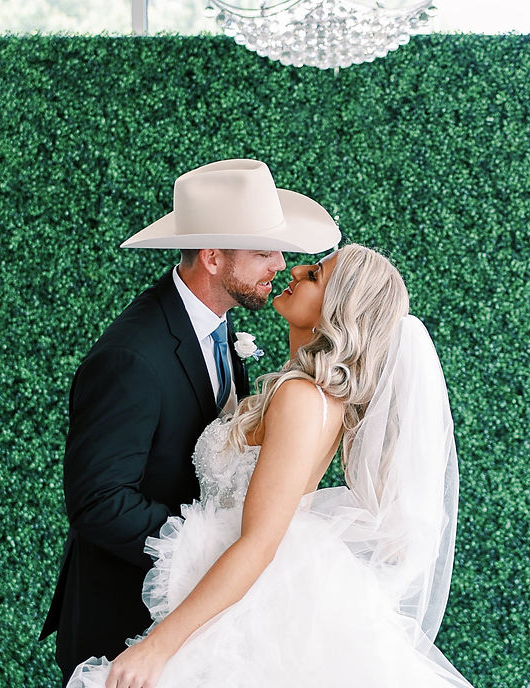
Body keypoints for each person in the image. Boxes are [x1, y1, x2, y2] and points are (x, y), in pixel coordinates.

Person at [67, 244, 473, 688]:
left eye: (314, 275)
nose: (292, 268)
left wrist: (159, 646)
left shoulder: (302, 399)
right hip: (234, 592)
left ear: (334, 311)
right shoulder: (301, 389)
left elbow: (259, 543)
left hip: (246, 604)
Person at [39, 158, 341, 686]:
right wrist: (211, 548)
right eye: (263, 252)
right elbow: (98, 502)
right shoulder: (132, 357)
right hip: (127, 619)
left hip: (201, 622)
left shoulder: (219, 326)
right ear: (213, 257)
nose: (281, 265)